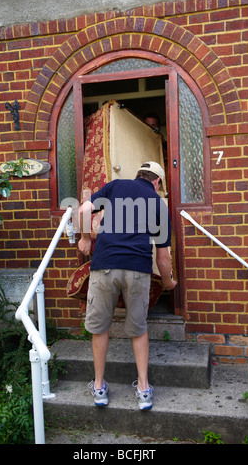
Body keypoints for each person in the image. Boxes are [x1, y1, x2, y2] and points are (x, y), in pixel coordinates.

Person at [78, 161, 177, 410]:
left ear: (138, 175)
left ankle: (99, 386)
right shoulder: (158, 205)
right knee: (138, 329)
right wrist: (168, 282)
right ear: (157, 182)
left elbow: (82, 211)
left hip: (104, 265)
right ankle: (144, 390)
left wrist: (84, 239)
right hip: (137, 269)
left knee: (100, 328)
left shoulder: (115, 186)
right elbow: (163, 256)